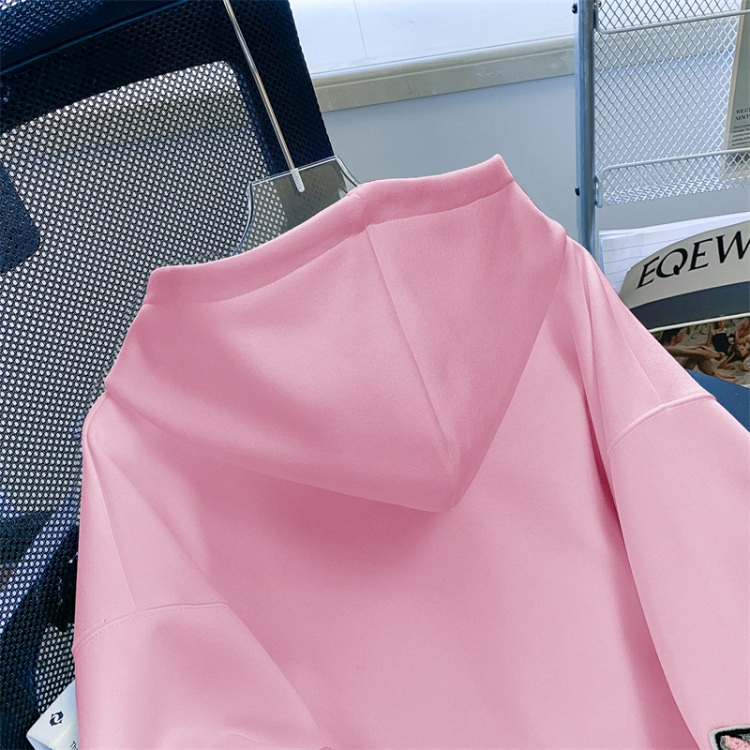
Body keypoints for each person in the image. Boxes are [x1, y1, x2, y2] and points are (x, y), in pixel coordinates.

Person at [659, 327, 736, 381]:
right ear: (673, 337)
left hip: (675, 371)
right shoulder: (668, 349)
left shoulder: (669, 347)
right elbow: (701, 354)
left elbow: (697, 347)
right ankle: (717, 377)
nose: (683, 335)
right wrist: (718, 355)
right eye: (681, 333)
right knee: (698, 355)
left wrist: (710, 351)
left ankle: (718, 375)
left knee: (698, 351)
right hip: (672, 377)